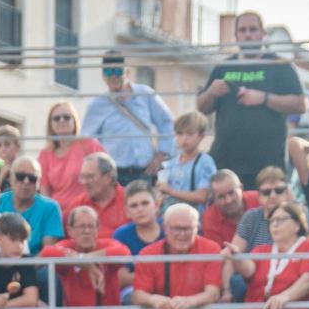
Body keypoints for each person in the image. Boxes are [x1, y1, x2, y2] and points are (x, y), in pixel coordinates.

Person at [196, 11, 307, 187]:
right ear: (236, 36)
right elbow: (202, 107)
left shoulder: (280, 65)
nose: (248, 34)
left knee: (269, 213)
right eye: (243, 30)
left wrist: (263, 98)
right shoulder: (223, 67)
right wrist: (211, 92)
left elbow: (301, 104)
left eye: (253, 29)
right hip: (226, 162)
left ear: (263, 34)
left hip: (267, 164)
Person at [82, 53, 174, 184]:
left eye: (118, 71)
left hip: (145, 172)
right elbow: (86, 141)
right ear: (103, 76)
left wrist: (160, 155)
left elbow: (167, 123)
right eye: (108, 71)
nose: (113, 76)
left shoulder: (146, 94)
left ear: (127, 72)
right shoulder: (97, 105)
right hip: (114, 176)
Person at [38, 102, 105, 212]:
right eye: (56, 118)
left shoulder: (89, 144)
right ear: (50, 124)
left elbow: (106, 174)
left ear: (74, 121)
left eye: (67, 117)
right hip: (58, 214)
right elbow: (45, 191)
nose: (62, 121)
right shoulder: (45, 154)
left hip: (87, 211)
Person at [0, 155, 65, 255]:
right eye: (20, 176)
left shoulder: (50, 208)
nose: (26, 181)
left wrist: (25, 269)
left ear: (39, 181)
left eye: (32, 178)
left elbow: (47, 253)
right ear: (10, 178)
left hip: (36, 267)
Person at [156, 110, 216, 215]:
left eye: (190, 134)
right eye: (180, 133)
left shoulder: (205, 162)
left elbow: (203, 196)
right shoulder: (170, 163)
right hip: (169, 218)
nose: (184, 138)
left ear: (201, 136)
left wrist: (171, 191)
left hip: (193, 220)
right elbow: (163, 195)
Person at [76, 151, 130, 238]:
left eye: (90, 177)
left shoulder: (131, 201)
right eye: (82, 177)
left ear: (108, 177)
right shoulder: (78, 205)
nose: (85, 182)